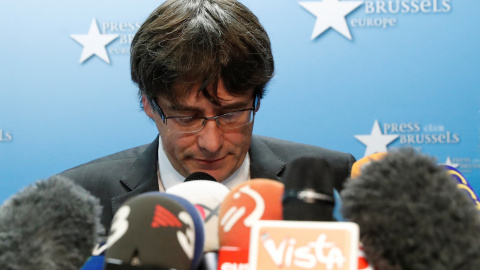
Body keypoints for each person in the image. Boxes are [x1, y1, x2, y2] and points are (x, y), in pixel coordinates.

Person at [60, 0, 356, 231]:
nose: (211, 143)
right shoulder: (75, 199)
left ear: (257, 99)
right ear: (149, 104)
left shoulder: (338, 178)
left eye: (231, 114)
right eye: (187, 118)